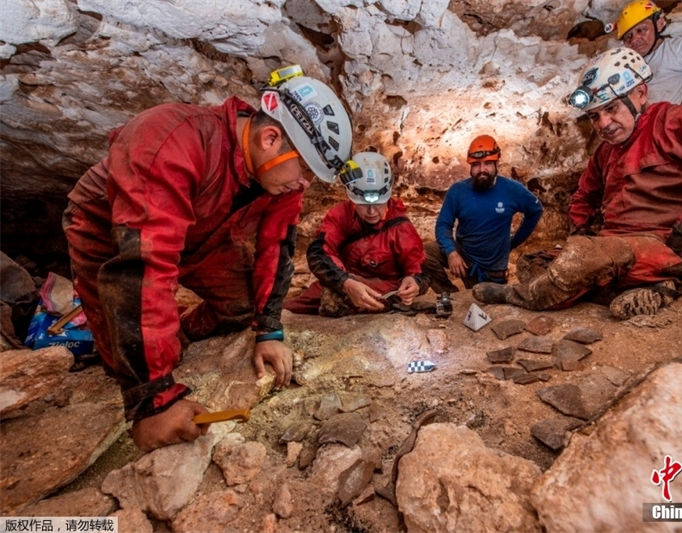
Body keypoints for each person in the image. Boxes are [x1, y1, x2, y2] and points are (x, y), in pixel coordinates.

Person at [62, 66, 353, 452]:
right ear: (271, 138)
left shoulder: (278, 182)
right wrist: (155, 401)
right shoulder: (171, 138)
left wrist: (268, 330)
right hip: (111, 232)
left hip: (202, 231)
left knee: (240, 307)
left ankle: (175, 335)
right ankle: (151, 364)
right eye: (305, 171)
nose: (304, 184)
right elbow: (144, 265)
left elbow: (276, 247)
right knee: (124, 355)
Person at [473, 47, 682, 318]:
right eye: (595, 116)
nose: (603, 124)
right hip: (618, 246)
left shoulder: (678, 122)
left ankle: (517, 296)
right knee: (535, 261)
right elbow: (584, 196)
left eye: (610, 109)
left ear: (640, 94)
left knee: (580, 261)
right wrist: (581, 233)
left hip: (672, 245)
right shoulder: (606, 153)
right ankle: (644, 286)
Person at [284, 151, 429, 316]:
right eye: (363, 204)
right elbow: (319, 253)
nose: (371, 211)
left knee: (334, 302)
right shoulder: (340, 216)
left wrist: (414, 281)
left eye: (379, 204)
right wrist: (345, 282)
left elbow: (418, 266)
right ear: (351, 198)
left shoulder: (399, 226)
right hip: (344, 280)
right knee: (289, 310)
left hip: (384, 289)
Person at [422, 135, 544, 293]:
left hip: (491, 270)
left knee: (482, 305)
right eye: (476, 165)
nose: (482, 170)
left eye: (487, 164)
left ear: (496, 163)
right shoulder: (458, 191)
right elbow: (443, 225)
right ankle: (450, 295)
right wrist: (451, 252)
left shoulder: (512, 189)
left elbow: (535, 210)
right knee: (422, 253)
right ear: (470, 167)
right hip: (463, 257)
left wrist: (512, 242)